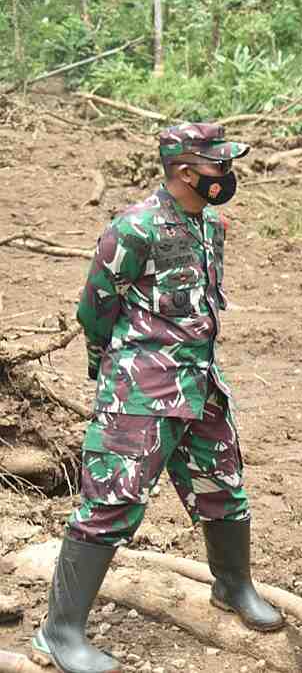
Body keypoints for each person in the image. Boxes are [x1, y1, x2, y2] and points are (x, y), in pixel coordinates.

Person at [32, 124, 282, 673]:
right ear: (187, 172)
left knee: (224, 487)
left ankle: (232, 586)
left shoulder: (209, 225)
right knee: (109, 505)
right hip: (141, 389)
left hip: (202, 384)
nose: (229, 175)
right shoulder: (132, 228)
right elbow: (94, 309)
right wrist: (112, 372)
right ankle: (60, 631)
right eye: (219, 166)